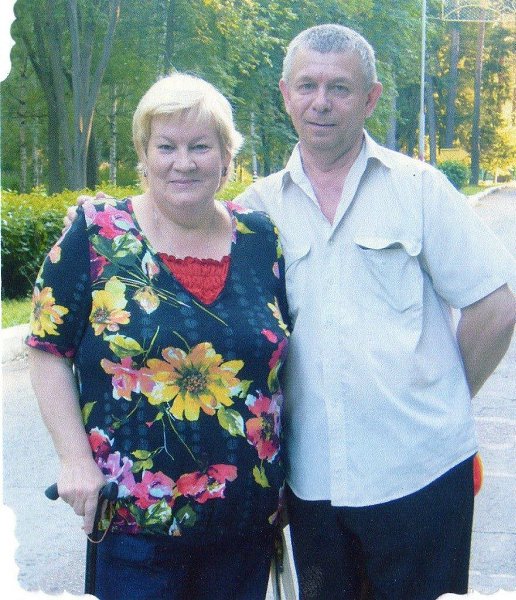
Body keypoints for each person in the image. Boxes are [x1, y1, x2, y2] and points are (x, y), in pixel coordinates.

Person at [67, 24, 516, 600]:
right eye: (307, 86)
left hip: (420, 472)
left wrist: (440, 401)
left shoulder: (418, 189)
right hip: (312, 483)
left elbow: (495, 307)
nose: (321, 102)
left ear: (371, 98)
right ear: (285, 95)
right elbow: (189, 256)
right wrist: (107, 221)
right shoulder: (254, 215)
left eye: (340, 88)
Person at [27, 73, 290, 600]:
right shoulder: (97, 232)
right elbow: (46, 349)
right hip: (133, 523)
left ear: (226, 157)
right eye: (166, 146)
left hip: (245, 520)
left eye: (200, 146)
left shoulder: (261, 238)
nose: (183, 162)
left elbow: (281, 367)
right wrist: (74, 459)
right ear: (143, 156)